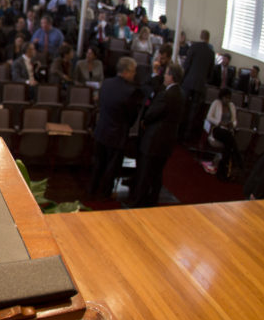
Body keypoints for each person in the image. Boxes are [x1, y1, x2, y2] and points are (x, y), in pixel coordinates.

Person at [128, 62, 184, 207]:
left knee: (145, 173)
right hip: (167, 142)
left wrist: (144, 120)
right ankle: (152, 200)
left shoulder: (166, 95)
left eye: (166, 74)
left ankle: (138, 202)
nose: (164, 76)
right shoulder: (181, 94)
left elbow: (151, 114)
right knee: (157, 174)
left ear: (171, 77)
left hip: (154, 140)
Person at [90, 57, 142, 199]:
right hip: (117, 134)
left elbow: (100, 104)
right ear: (125, 72)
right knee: (111, 167)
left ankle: (92, 188)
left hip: (102, 129)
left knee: (98, 163)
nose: (134, 74)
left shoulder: (106, 84)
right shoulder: (131, 92)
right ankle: (105, 193)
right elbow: (132, 117)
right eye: (133, 71)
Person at [181, 29, 215, 139]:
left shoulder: (194, 47)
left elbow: (186, 65)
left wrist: (183, 78)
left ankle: (179, 131)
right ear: (208, 39)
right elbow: (211, 72)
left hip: (188, 82)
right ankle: (187, 133)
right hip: (200, 85)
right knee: (193, 111)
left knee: (183, 106)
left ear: (200, 36)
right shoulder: (211, 53)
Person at [203, 88, 241, 181]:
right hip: (217, 129)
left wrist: (232, 124)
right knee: (230, 140)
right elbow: (209, 117)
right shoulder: (216, 103)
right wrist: (220, 123)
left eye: (229, 98)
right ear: (221, 97)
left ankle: (223, 170)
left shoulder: (231, 106)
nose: (227, 100)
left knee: (228, 145)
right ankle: (238, 161)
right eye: (225, 98)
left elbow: (234, 120)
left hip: (227, 130)